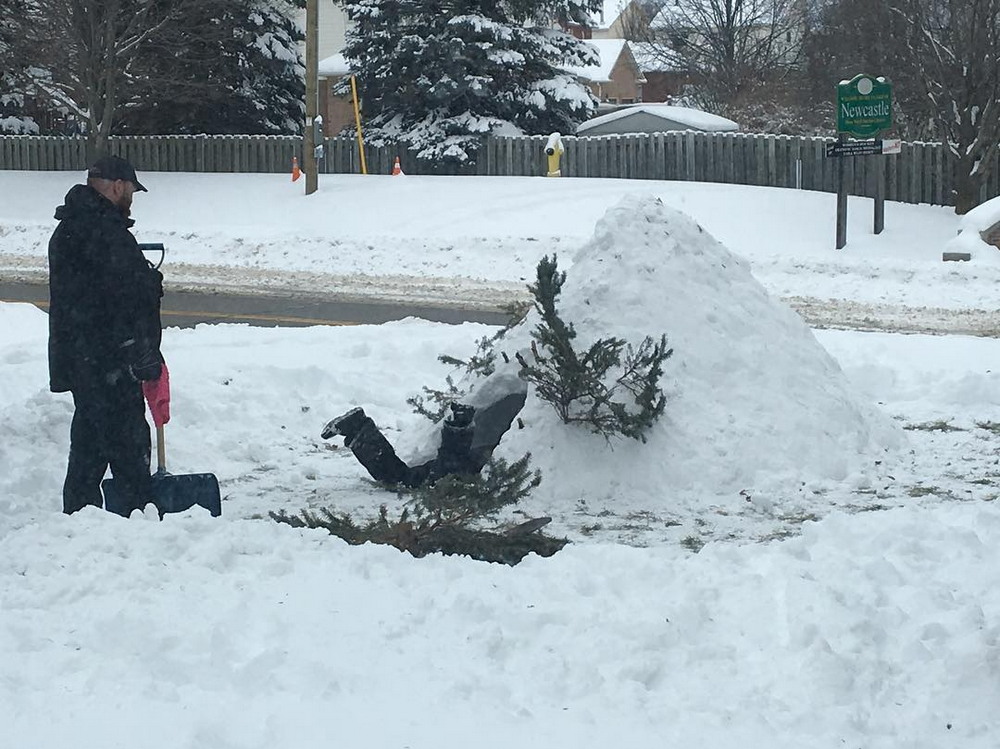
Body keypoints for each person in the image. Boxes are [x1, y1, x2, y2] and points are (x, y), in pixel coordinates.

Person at [48, 155, 165, 515]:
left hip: (84, 358)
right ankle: (135, 513)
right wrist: (139, 347)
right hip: (109, 360)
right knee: (127, 441)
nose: (131, 196)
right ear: (117, 186)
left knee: (90, 440)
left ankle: (79, 514)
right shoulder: (104, 232)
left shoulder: (73, 226)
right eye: (130, 189)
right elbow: (123, 298)